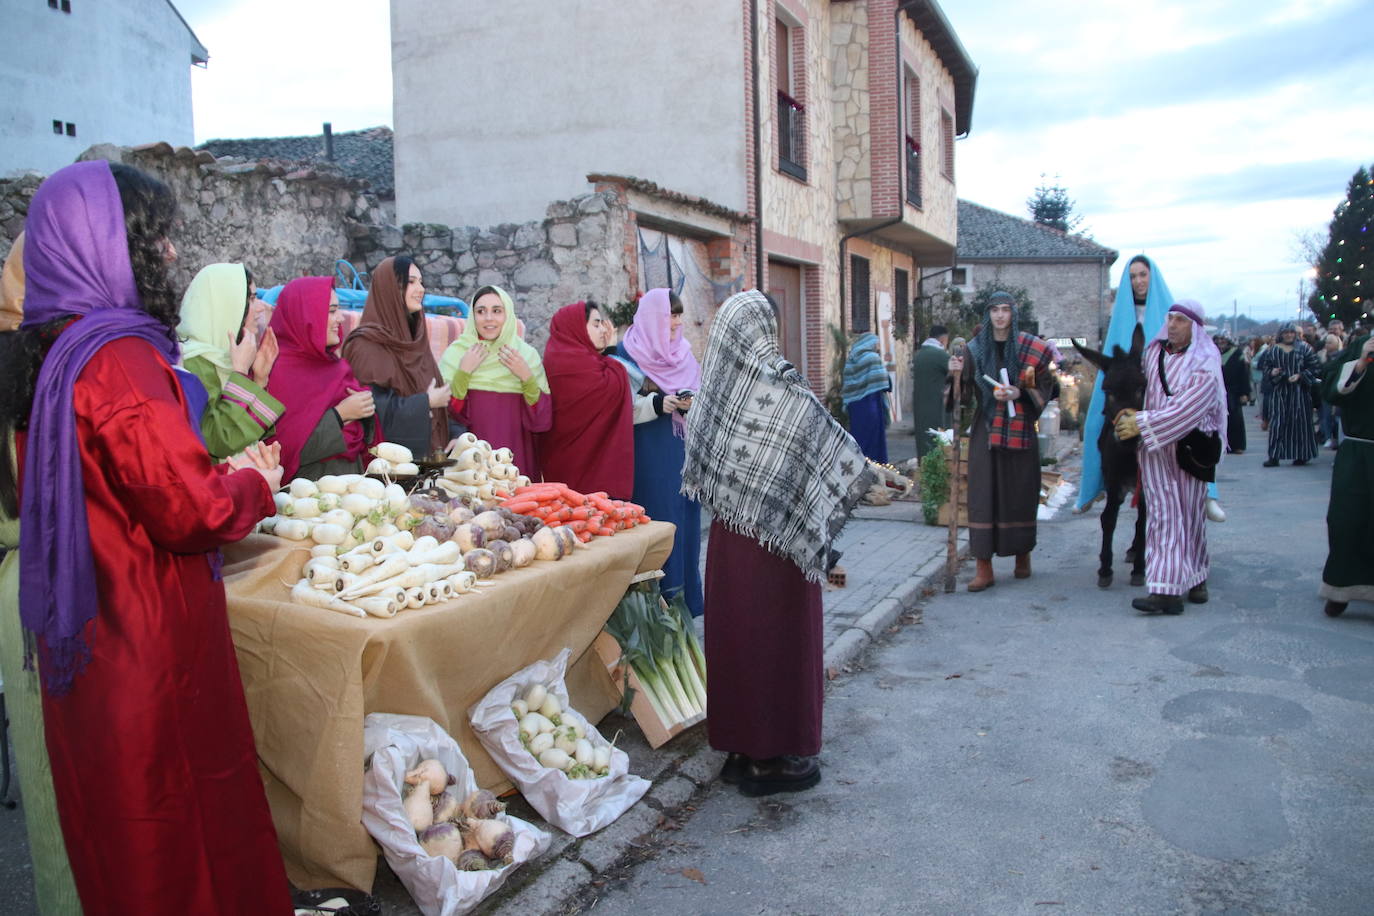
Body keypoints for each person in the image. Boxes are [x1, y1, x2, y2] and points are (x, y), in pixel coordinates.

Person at [3, 160, 292, 913]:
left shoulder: (55, 351)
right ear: (106, 248)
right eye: (154, 237)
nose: (168, 254)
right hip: (148, 641)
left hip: (92, 638)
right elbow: (188, 508)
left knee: (121, 838)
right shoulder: (120, 359)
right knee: (179, 830)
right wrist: (255, 483)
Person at [682, 289, 874, 797]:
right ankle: (771, 759)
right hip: (779, 548)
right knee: (776, 641)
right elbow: (834, 450)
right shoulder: (784, 389)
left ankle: (741, 750)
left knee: (737, 639)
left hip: (731, 541)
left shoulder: (713, 395)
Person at [0, 233, 83, 913]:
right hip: (42, 578)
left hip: (52, 571)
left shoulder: (59, 355)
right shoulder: (36, 361)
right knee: (60, 773)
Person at [1114, 301, 1226, 615]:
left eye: (1181, 320)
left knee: (1190, 516)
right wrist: (1127, 415)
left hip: (1190, 448)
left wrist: (1143, 423)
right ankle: (1165, 590)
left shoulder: (1205, 360)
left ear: (1195, 326)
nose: (1174, 324)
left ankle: (1196, 576)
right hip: (1153, 449)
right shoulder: (1153, 354)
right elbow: (1140, 391)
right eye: (1171, 319)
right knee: (1164, 517)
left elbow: (1190, 408)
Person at [959, 291, 1057, 591]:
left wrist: (1020, 393)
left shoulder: (1029, 348)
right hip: (986, 428)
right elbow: (961, 397)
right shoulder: (973, 350)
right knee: (983, 494)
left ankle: (1022, 555)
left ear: (1013, 314)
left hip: (1019, 426)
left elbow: (1047, 386)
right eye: (994, 310)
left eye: (1005, 310)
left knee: (1019, 492)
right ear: (988, 315)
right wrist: (954, 377)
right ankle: (984, 567)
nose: (1000, 316)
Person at [614, 288, 704, 616]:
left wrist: (690, 403)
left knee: (685, 526)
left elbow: (701, 394)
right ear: (653, 316)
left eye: (679, 314)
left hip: (682, 455)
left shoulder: (684, 353)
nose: (675, 322)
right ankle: (653, 612)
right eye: (670, 314)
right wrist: (657, 404)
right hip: (647, 454)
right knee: (656, 521)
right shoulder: (627, 354)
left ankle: (682, 609)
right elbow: (617, 406)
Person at [1078, 255, 1172, 513]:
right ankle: (1093, 487)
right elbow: (1113, 348)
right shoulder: (1121, 314)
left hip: (1158, 383)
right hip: (1126, 384)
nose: (1138, 281)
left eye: (1142, 274)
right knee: (1095, 425)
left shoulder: (1169, 311)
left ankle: (1208, 493)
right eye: (1132, 276)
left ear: (1152, 276)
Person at [266, 276, 381, 480]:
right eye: (331, 311)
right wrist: (340, 415)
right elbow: (282, 450)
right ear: (305, 315)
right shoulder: (276, 371)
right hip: (305, 496)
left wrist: (363, 411)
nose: (341, 318)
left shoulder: (335, 366)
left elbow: (362, 436)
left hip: (352, 490)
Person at [341, 256, 451, 460]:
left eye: (421, 282)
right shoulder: (367, 345)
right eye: (410, 282)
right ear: (389, 287)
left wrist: (456, 433)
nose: (421, 289)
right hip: (386, 473)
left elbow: (439, 399)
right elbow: (371, 412)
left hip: (428, 465)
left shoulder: (415, 340)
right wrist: (425, 403)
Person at [437, 285, 550, 478]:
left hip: (516, 454)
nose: (489, 318)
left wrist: (526, 377)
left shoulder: (526, 355)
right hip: (472, 460)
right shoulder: (457, 353)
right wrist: (464, 372)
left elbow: (542, 419)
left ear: (508, 314)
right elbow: (447, 415)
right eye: (481, 311)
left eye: (497, 311)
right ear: (473, 317)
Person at [176, 262, 283, 459]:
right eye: (251, 299)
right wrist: (241, 373)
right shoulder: (190, 362)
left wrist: (259, 379)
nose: (260, 308)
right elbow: (218, 441)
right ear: (225, 305)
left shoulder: (224, 356)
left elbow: (247, 435)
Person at [541, 300, 634, 496]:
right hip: (578, 463)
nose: (603, 330)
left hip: (569, 463)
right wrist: (610, 351)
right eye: (596, 324)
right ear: (576, 327)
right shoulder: (571, 361)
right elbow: (614, 387)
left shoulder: (561, 355)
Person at [1318, 331, 1374, 617]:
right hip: (1358, 451)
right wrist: (1361, 364)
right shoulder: (1361, 345)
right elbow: (1329, 389)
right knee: (1345, 519)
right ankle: (1341, 588)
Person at [1255, 322, 1320, 467]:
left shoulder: (1304, 348)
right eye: (1286, 333)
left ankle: (1302, 455)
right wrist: (1273, 373)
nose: (1289, 335)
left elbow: (1315, 367)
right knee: (1278, 423)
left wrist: (1301, 376)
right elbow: (1266, 368)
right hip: (1280, 392)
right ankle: (1274, 455)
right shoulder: (1273, 351)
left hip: (1300, 393)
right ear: (1281, 334)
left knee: (1300, 423)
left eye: (1291, 332)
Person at [840, 332, 890, 462]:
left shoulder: (851, 358)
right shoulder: (872, 357)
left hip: (855, 406)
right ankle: (876, 466)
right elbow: (883, 380)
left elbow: (848, 383)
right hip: (871, 403)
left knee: (859, 437)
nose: (878, 346)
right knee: (873, 438)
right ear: (870, 343)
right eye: (876, 343)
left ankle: (858, 466)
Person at [911, 324, 954, 459]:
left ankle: (924, 466)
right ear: (943, 340)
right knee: (939, 437)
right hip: (937, 404)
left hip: (920, 403)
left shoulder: (919, 354)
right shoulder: (939, 355)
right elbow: (956, 373)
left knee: (923, 437)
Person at [1216, 332, 1251, 454]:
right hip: (1219, 391)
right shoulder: (1214, 353)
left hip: (1234, 391)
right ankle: (1224, 444)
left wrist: (1244, 393)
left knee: (1235, 418)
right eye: (1219, 339)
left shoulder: (1237, 354)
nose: (1221, 342)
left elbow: (1244, 375)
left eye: (1223, 339)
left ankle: (1237, 445)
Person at [1316, 333, 1344, 448]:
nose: (1327, 345)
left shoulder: (1342, 356)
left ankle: (1337, 438)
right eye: (1326, 342)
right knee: (1325, 415)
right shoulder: (1322, 356)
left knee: (1337, 417)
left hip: (1338, 389)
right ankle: (1327, 437)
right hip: (1325, 389)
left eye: (1330, 342)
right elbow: (1318, 371)